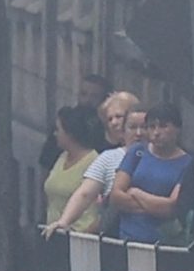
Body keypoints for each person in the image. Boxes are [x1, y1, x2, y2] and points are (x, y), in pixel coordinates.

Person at [44, 92, 143, 238]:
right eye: (110, 119)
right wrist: (64, 222)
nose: (114, 123)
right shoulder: (108, 157)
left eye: (119, 117)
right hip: (113, 237)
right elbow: (85, 193)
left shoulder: (161, 157)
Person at [109, 103, 194, 244]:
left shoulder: (188, 163)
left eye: (163, 126)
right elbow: (116, 196)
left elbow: (171, 208)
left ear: (177, 129)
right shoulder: (137, 152)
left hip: (163, 244)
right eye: (151, 127)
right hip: (127, 240)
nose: (156, 132)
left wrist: (137, 193)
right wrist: (154, 208)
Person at [37, 70, 113, 171]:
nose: (88, 100)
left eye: (94, 96)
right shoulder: (65, 120)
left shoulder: (108, 126)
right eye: (84, 94)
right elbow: (47, 157)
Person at [42, 103, 103, 229]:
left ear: (70, 133)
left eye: (58, 130)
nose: (54, 134)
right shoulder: (61, 157)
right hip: (54, 233)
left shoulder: (94, 162)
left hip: (80, 235)